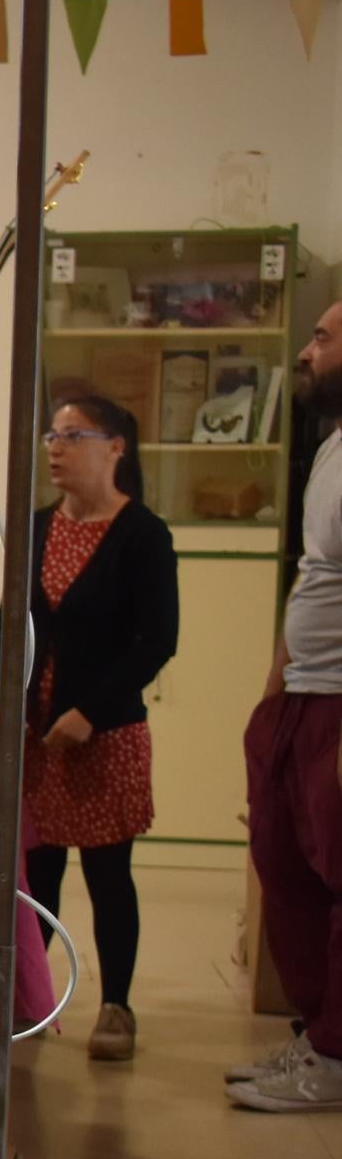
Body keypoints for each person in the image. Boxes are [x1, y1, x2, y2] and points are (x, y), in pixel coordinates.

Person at [7, 395, 175, 1065]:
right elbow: (8, 625)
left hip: (106, 736)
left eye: (73, 435)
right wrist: (8, 704)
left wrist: (89, 713)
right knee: (37, 876)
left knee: (109, 878)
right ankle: (29, 1001)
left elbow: (155, 640)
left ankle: (116, 1008)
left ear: (115, 448)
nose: (55, 447)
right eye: (52, 434)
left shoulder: (142, 534)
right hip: (39, 737)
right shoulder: (37, 526)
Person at [234, 297, 342, 1111]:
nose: (306, 352)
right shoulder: (332, 446)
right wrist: (278, 678)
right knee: (286, 867)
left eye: (324, 337)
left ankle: (337, 1057)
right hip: (302, 694)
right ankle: (318, 1032)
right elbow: (313, 576)